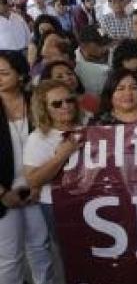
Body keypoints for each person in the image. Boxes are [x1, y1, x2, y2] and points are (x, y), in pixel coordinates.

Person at [0, 53, 64, 284]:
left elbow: (52, 137)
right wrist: (3, 194)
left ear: (21, 73)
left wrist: (38, 184)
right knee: (10, 256)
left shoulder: (35, 101)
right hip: (4, 193)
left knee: (40, 243)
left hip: (39, 185)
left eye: (3, 72)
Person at [23, 79, 85, 236]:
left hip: (88, 199)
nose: (66, 106)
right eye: (57, 104)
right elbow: (32, 180)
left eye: (69, 100)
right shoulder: (37, 138)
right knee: (69, 253)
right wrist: (62, 156)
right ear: (44, 109)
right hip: (56, 204)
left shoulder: (87, 128)